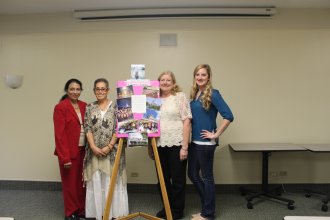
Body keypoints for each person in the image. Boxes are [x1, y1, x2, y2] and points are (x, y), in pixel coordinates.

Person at [188, 64, 234, 220]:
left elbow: (229, 116)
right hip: (194, 142)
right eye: (197, 75)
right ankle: (206, 206)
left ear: (208, 77)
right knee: (192, 174)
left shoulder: (213, 94)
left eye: (203, 75)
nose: (200, 77)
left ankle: (208, 213)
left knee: (207, 177)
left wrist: (215, 134)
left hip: (206, 144)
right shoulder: (195, 93)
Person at [83, 78, 128, 220]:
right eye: (97, 89)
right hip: (94, 152)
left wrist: (109, 146)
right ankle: (98, 212)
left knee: (110, 181)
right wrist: (93, 147)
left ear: (108, 90)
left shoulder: (116, 107)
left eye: (103, 89)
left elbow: (119, 127)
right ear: (94, 91)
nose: (100, 91)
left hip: (112, 152)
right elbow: (87, 127)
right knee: (96, 180)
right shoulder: (89, 107)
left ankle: (113, 212)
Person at [149, 71, 192, 220]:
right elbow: (149, 125)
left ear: (173, 83)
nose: (165, 82)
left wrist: (184, 147)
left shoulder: (179, 97)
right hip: (159, 145)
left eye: (169, 80)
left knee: (178, 180)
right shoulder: (153, 100)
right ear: (158, 82)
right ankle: (167, 206)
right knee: (162, 179)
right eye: (162, 80)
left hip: (177, 143)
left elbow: (187, 121)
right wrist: (150, 147)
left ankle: (177, 211)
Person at [53, 78, 87, 220]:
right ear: (67, 90)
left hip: (83, 151)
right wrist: (64, 157)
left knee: (82, 183)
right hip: (68, 152)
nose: (75, 91)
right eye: (72, 89)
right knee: (70, 185)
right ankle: (70, 212)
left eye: (78, 89)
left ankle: (81, 209)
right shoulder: (61, 107)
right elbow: (59, 135)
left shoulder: (85, 105)